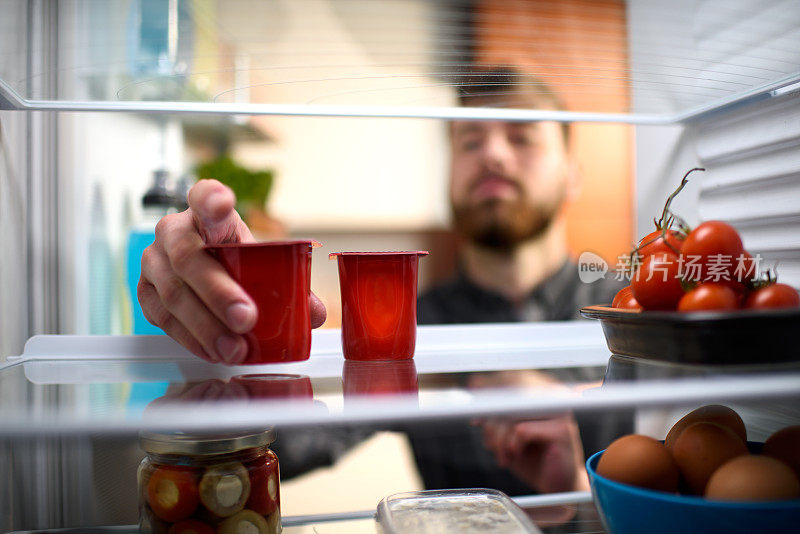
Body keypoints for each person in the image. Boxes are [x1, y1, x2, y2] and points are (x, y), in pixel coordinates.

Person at [138, 67, 628, 496]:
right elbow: (295, 444)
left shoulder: (628, 311)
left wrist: (577, 492)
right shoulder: (411, 321)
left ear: (574, 176)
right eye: (470, 141)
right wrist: (232, 335)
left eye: (521, 137)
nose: (493, 154)